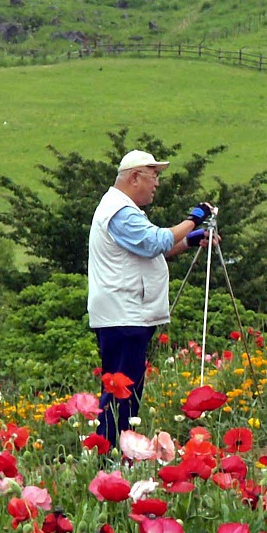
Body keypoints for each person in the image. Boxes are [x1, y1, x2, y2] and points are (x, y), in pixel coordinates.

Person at [88, 149, 214, 445]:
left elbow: (155, 249)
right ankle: (112, 451)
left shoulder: (121, 209)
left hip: (126, 314)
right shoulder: (119, 211)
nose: (157, 183)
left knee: (124, 389)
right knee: (122, 390)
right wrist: (195, 218)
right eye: (153, 175)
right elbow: (156, 241)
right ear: (134, 177)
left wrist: (189, 241)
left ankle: (115, 449)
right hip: (125, 314)